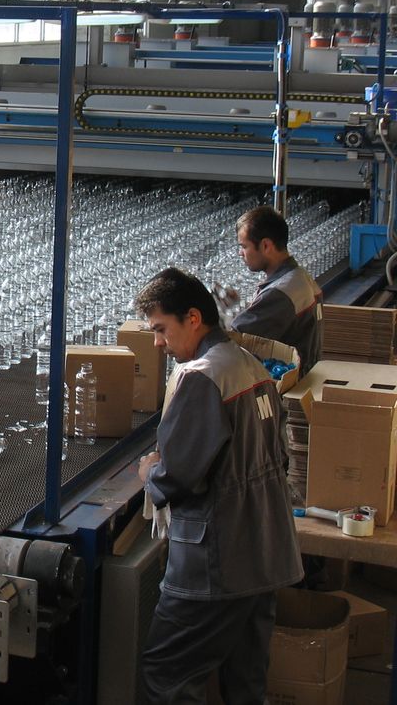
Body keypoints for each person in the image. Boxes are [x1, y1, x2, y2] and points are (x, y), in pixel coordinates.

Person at [135, 267, 301, 705]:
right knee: (245, 683)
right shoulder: (250, 366)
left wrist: (149, 472)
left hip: (218, 563)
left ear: (193, 318)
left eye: (161, 329)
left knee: (168, 674)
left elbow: (180, 476)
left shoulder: (201, 377)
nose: (158, 343)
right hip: (266, 552)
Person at [231, 205, 323, 375]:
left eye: (244, 246)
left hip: (287, 381)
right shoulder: (300, 276)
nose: (240, 253)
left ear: (266, 245)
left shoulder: (280, 293)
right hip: (306, 372)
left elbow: (233, 340)